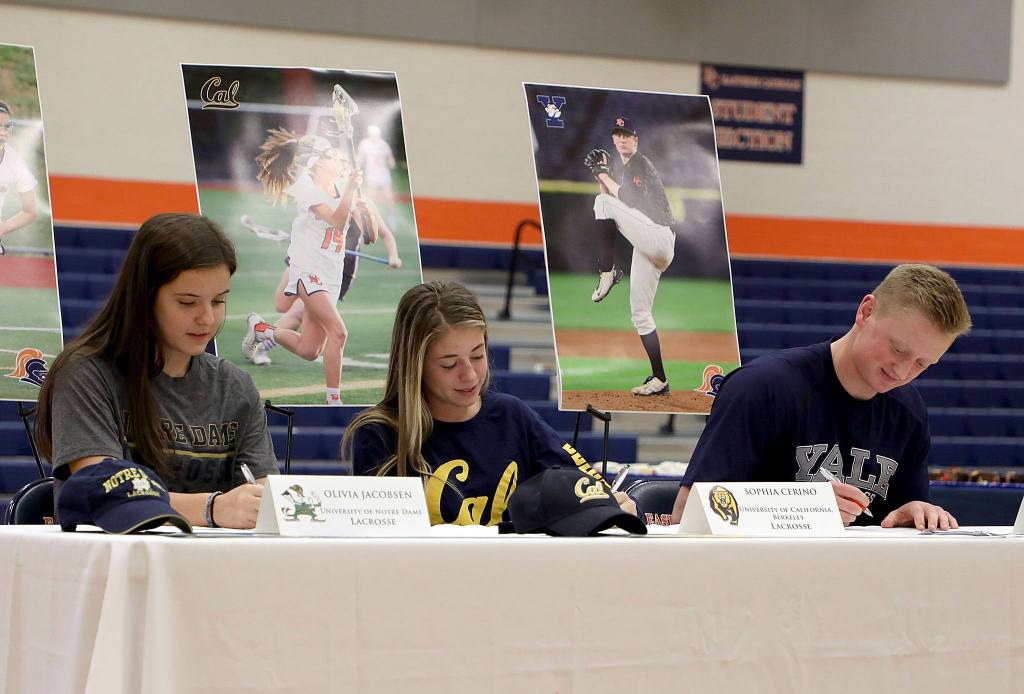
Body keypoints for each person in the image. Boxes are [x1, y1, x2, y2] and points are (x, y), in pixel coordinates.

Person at [670, 264, 972, 530]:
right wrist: (803, 509)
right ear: (865, 311)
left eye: (922, 364)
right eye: (898, 349)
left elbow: (898, 520)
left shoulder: (909, 411)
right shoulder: (762, 387)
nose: (903, 370)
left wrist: (915, 515)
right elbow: (686, 514)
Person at [36, 213, 278, 529]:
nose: (206, 318)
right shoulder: (86, 374)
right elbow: (104, 492)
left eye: (218, 301)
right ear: (144, 297)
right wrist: (213, 507)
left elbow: (268, 498)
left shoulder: (235, 385)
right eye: (187, 302)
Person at [343, 281, 636, 526]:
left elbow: (591, 489)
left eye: (478, 355)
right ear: (414, 366)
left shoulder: (513, 416)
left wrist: (613, 504)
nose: (469, 374)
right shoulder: (380, 434)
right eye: (448, 364)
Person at [244, 130, 363, 405]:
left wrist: (363, 207)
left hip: (332, 275)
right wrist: (350, 190)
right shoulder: (306, 188)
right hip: (309, 271)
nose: (340, 160)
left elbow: (365, 233)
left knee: (310, 350)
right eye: (334, 156)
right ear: (319, 162)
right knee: (339, 332)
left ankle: (261, 329)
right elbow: (335, 220)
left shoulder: (342, 184)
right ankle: (334, 400)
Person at [583, 116, 676, 396]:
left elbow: (629, 201)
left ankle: (607, 273)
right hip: (652, 245)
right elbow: (611, 208)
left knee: (601, 201)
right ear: (613, 139)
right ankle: (659, 378)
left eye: (627, 135)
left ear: (636, 140)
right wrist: (603, 178)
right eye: (618, 135)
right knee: (640, 313)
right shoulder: (623, 171)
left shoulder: (638, 162)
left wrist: (603, 176)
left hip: (657, 235)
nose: (622, 139)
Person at [0, 100, 39, 256]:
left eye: (7, 126)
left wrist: (3, 228)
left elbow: (31, 211)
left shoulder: (16, 163)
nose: (2, 132)